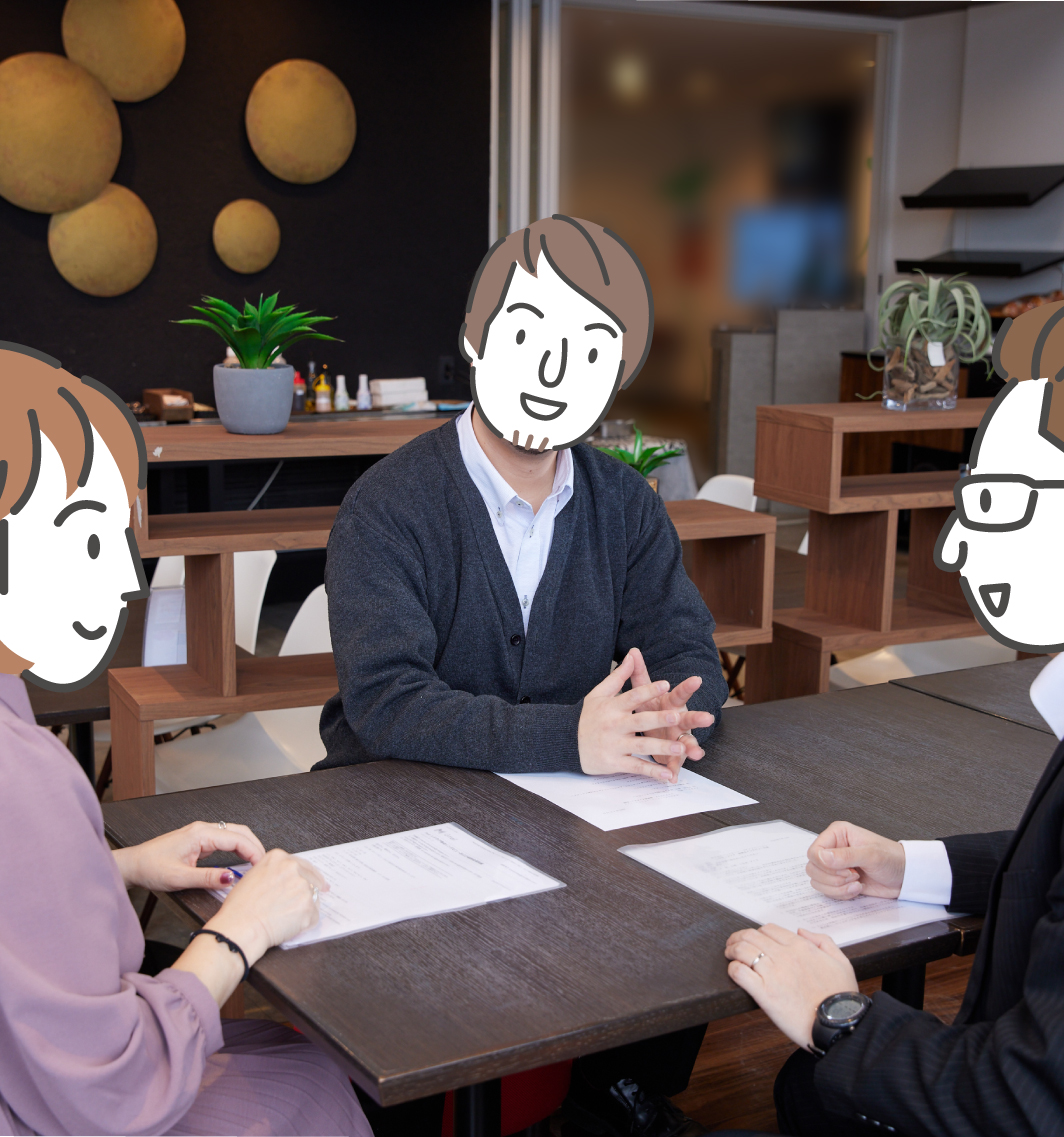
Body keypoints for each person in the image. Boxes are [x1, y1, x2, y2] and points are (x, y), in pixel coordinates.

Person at [721, 296, 1064, 1136]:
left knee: (812, 1080)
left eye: (997, 502)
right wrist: (913, 865)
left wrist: (838, 1015)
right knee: (808, 1089)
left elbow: (1043, 1103)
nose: (954, 547)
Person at [316, 217, 728, 1137]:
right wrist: (571, 737)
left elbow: (686, 646)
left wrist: (671, 712)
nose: (551, 370)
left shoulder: (625, 504)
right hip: (402, 798)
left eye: (588, 352)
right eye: (529, 334)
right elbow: (386, 701)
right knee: (443, 989)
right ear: (476, 336)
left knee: (691, 881)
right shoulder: (388, 505)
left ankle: (618, 1085)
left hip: (570, 800)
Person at [0, 344, 372, 1137]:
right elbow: (111, 1082)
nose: (126, 580)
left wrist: (113, 864)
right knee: (306, 1080)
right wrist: (242, 928)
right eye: (90, 540)